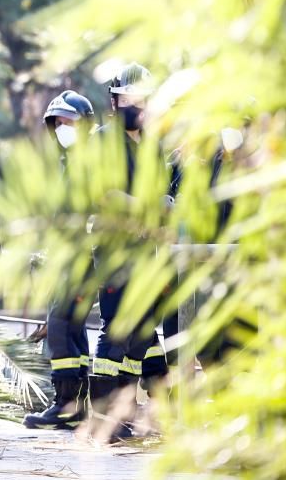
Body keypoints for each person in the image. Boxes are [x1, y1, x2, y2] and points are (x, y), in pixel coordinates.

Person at [87, 62, 180, 437]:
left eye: (141, 98)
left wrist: (165, 202)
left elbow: (162, 190)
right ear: (114, 100)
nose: (134, 105)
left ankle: (159, 415)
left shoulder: (154, 143)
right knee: (116, 329)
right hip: (113, 248)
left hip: (146, 249)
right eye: (128, 97)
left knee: (143, 330)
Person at [23, 91, 96, 430]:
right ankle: (75, 408)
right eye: (57, 123)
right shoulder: (69, 164)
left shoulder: (89, 163)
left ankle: (65, 405)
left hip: (78, 257)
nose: (62, 128)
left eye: (68, 122)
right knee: (73, 329)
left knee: (60, 327)